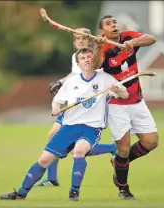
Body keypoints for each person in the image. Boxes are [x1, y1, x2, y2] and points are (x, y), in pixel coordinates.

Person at [0, 47, 129, 201]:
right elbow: (57, 101)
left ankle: (74, 192)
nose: (87, 59)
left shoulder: (105, 78)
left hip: (91, 128)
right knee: (43, 160)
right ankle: (20, 193)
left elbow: (125, 94)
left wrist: (118, 90)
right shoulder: (72, 81)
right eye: (83, 58)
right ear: (78, 63)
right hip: (68, 127)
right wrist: (55, 108)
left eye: (90, 56)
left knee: (79, 151)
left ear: (94, 59)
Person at [36, 28, 117, 187]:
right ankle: (52, 178)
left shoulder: (92, 57)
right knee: (55, 136)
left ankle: (111, 148)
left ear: (90, 40)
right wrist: (60, 81)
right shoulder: (76, 56)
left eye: (83, 38)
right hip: (73, 106)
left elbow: (93, 74)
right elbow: (75, 74)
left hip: (87, 108)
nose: (79, 41)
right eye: (76, 38)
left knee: (75, 148)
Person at [92, 15, 158, 200]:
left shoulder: (128, 37)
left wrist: (134, 42)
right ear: (102, 31)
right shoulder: (102, 47)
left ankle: (118, 162)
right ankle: (123, 188)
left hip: (137, 101)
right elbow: (95, 65)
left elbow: (151, 39)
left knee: (151, 142)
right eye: (108, 24)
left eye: (114, 22)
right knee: (123, 147)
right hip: (116, 105)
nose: (113, 25)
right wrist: (97, 47)